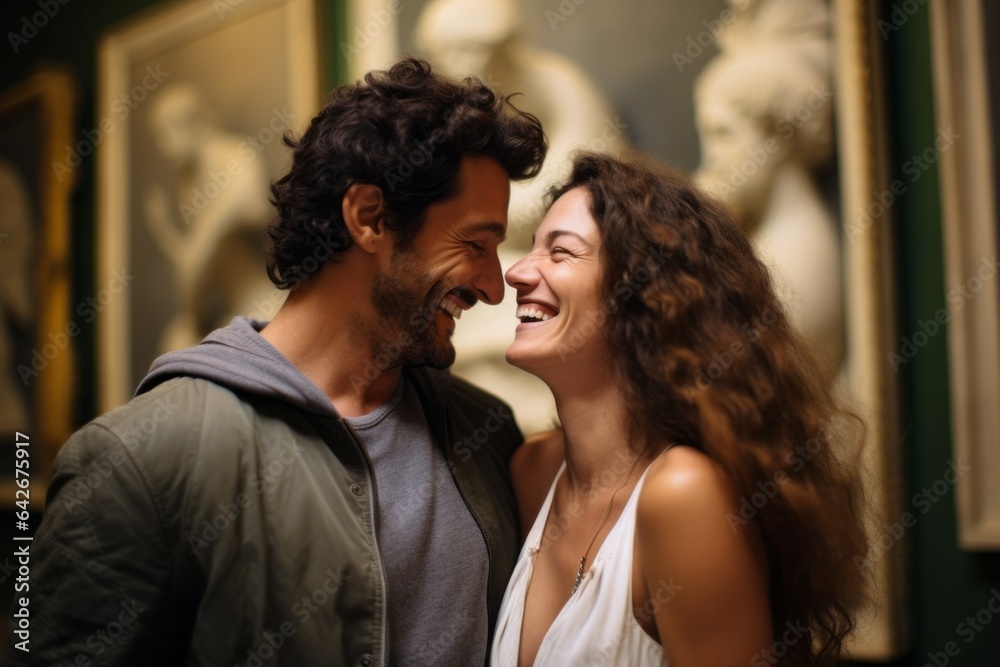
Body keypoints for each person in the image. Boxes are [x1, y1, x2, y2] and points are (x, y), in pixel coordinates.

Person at [8, 58, 546, 667]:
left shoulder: (488, 433)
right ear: (369, 217)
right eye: (474, 244)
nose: (495, 286)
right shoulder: (137, 460)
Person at [491, 152, 868, 666]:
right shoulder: (533, 471)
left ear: (643, 293)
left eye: (560, 253)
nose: (516, 272)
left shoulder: (682, 494)